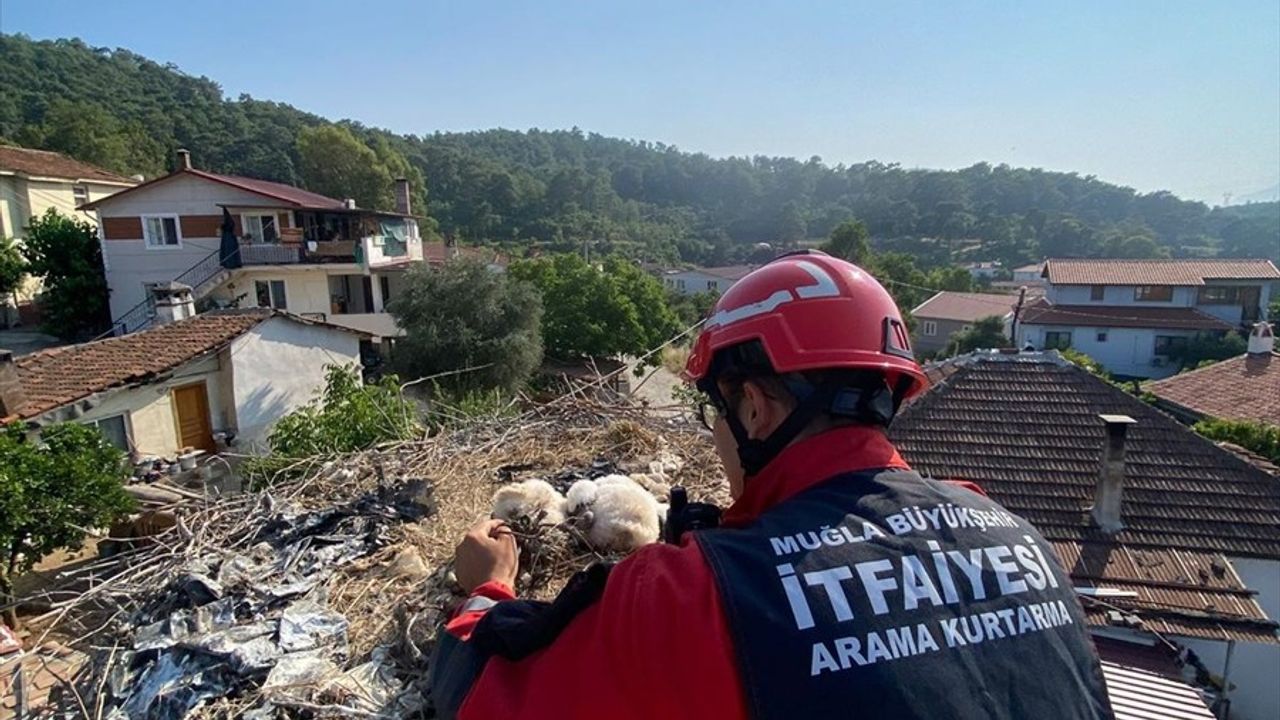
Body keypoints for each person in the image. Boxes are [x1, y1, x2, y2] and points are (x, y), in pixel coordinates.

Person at [431, 251, 1113, 720]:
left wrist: (484, 592)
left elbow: (486, 700)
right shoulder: (1019, 539)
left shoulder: (698, 594)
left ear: (752, 406)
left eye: (717, 413)